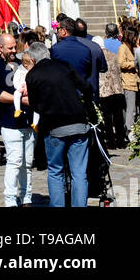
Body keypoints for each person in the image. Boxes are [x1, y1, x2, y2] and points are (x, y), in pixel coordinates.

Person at [20, 39, 92, 208]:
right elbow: (86, 87)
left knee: (55, 171)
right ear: (48, 54)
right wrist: (86, 106)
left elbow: (36, 106)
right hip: (78, 121)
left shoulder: (33, 75)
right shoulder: (65, 66)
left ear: (32, 59)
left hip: (54, 126)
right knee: (79, 173)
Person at [0, 32, 34, 208]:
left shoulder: (22, 64)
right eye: (10, 48)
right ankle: (11, 199)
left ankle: (27, 196)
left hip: (28, 120)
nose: (14, 51)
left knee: (27, 163)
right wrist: (19, 99)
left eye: (15, 47)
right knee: (15, 161)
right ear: (1, 48)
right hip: (9, 121)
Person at [96, 36, 126, 149]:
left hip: (104, 90)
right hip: (117, 88)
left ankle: (111, 141)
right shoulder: (113, 54)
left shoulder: (98, 55)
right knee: (118, 116)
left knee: (107, 118)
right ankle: (121, 141)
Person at [50, 15, 93, 86]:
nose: (57, 31)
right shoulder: (86, 49)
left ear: (64, 31)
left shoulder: (56, 49)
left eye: (58, 29)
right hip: (81, 89)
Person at [72, 18, 107, 98]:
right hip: (91, 90)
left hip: (74, 92)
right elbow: (103, 68)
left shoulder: (65, 47)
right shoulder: (95, 46)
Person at [117, 26, 140, 140]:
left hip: (134, 81)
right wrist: (134, 63)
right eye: (135, 36)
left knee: (133, 108)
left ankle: (131, 130)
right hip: (127, 82)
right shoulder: (123, 47)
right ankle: (130, 132)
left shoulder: (131, 47)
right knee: (131, 109)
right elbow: (120, 63)